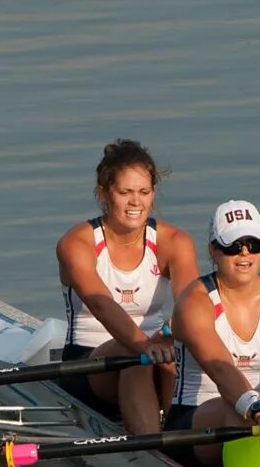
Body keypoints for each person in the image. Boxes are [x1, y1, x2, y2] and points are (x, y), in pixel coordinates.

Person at [54, 141, 198, 434]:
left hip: (154, 352)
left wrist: (171, 332)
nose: (136, 202)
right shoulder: (76, 244)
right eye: (125, 193)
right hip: (89, 367)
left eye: (144, 192)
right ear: (103, 194)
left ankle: (185, 445)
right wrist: (145, 345)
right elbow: (101, 304)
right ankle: (153, 454)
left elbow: (191, 304)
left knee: (180, 347)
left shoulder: (175, 242)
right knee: (135, 356)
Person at [170, 199, 260, 449]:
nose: (244, 253)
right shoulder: (194, 302)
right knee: (237, 413)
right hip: (196, 422)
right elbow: (221, 370)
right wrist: (257, 409)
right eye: (233, 246)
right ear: (212, 250)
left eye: (253, 244)